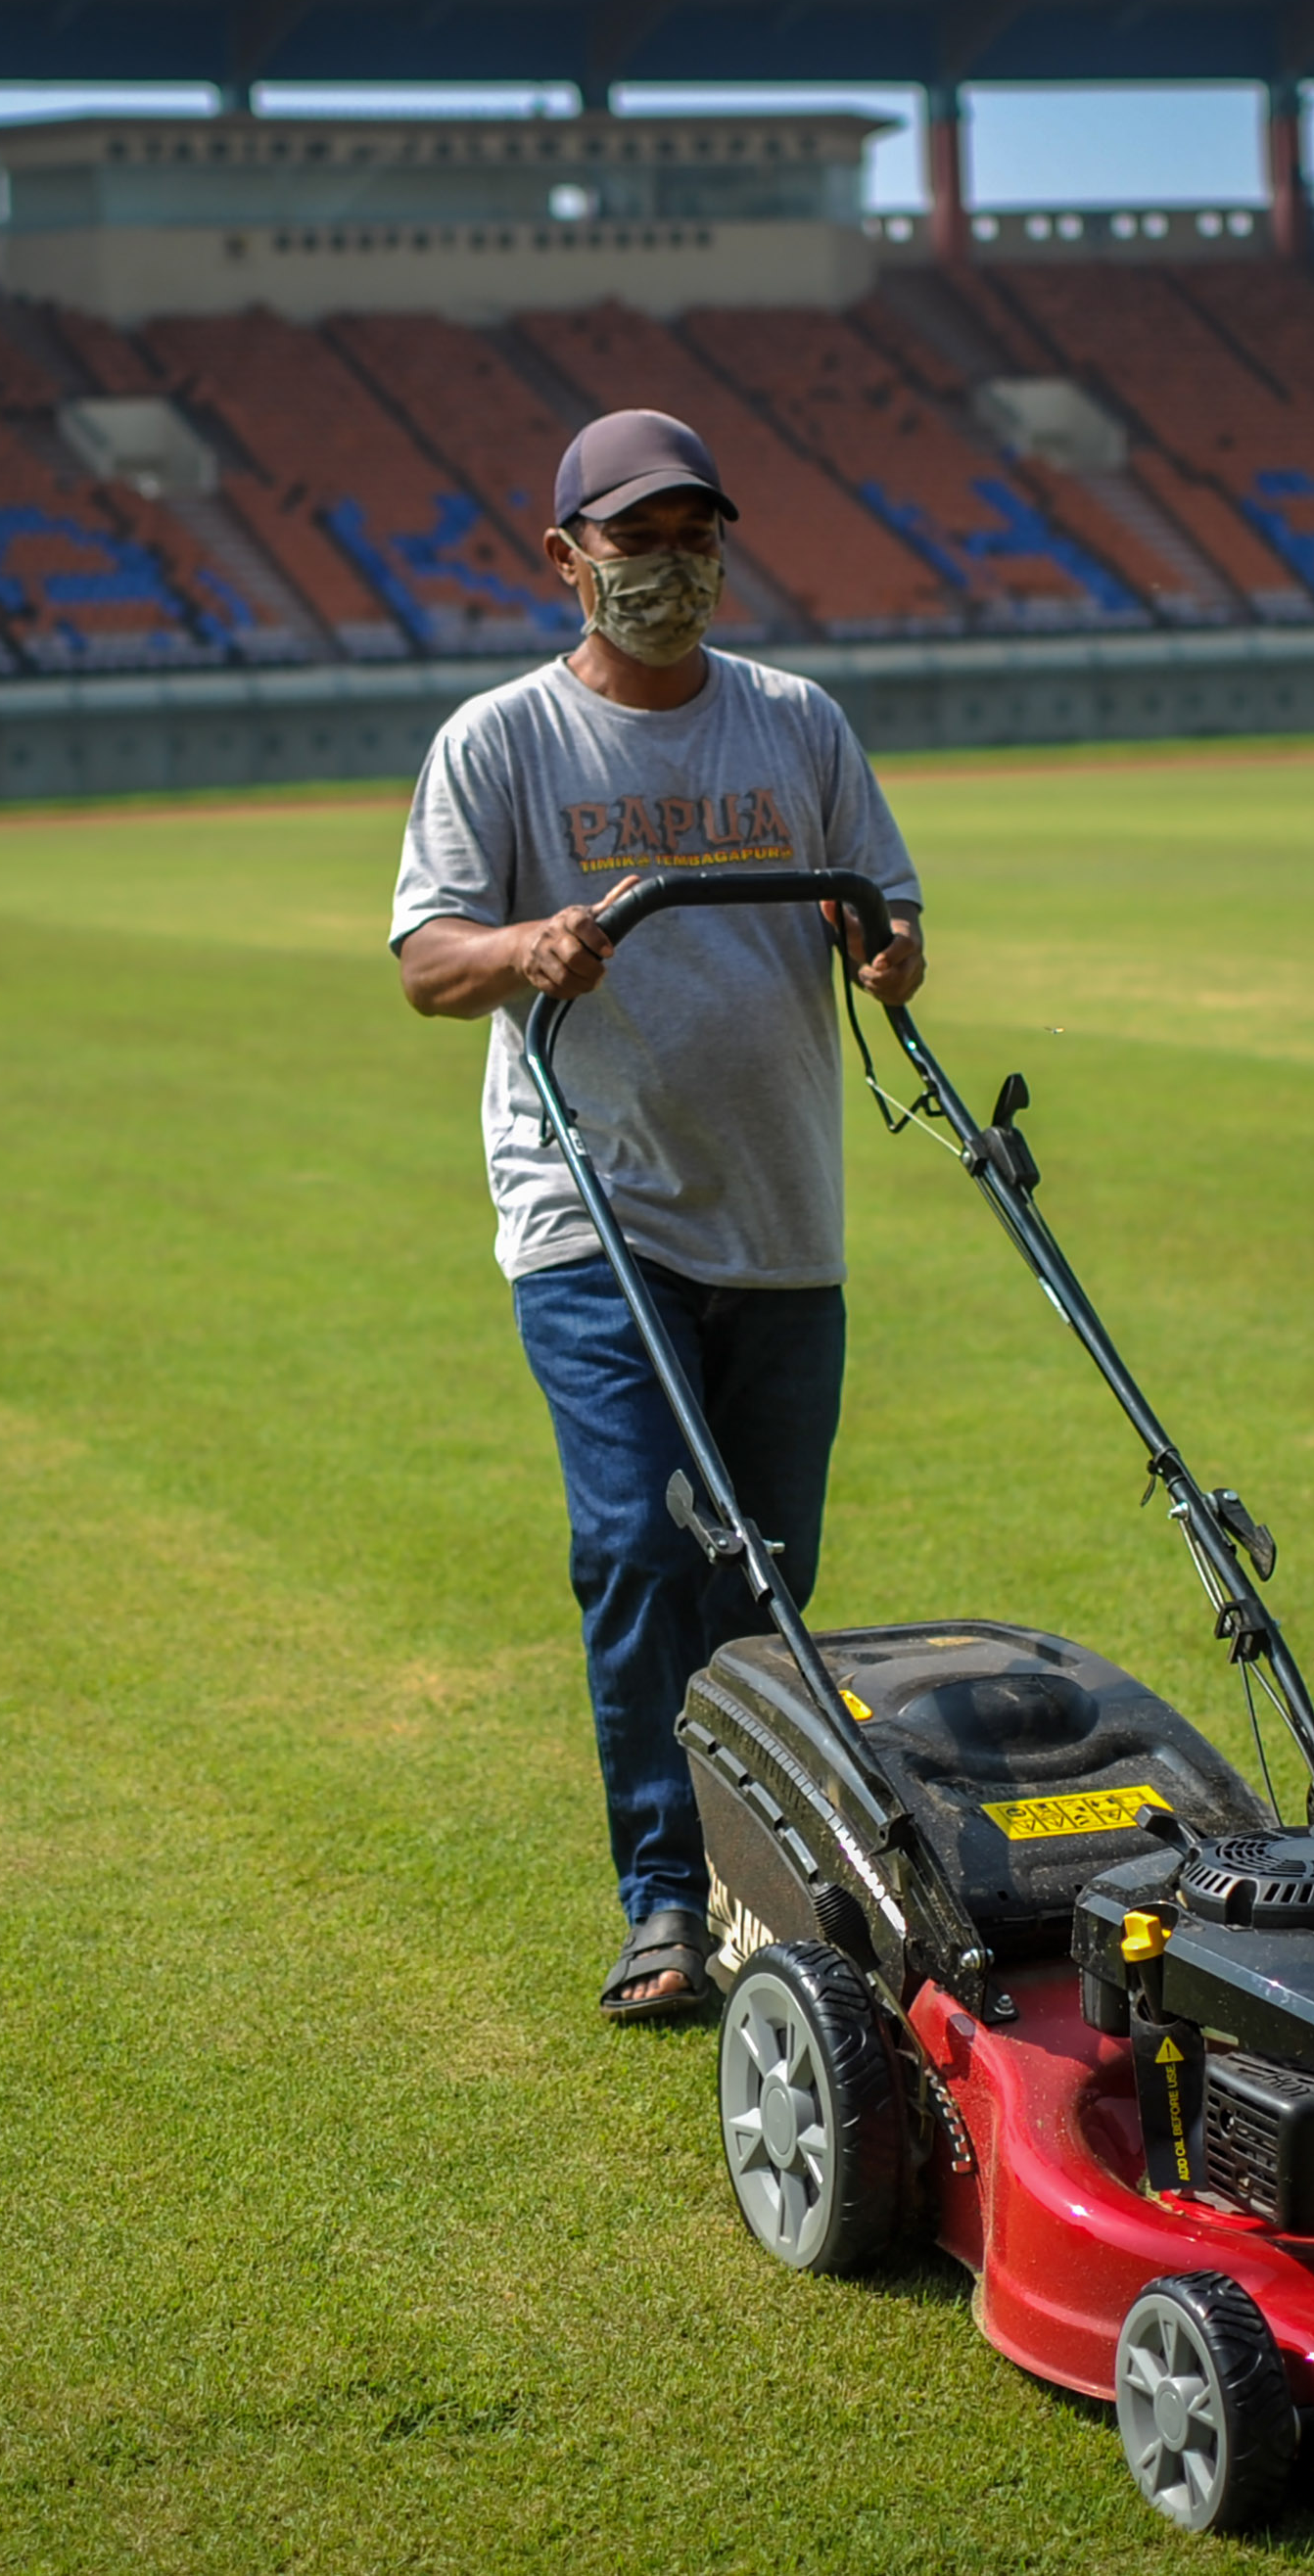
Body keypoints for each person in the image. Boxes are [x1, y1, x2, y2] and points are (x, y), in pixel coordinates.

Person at [389, 408, 924, 2023]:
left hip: (780, 1214)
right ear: (565, 558)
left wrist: (886, 953)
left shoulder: (799, 724)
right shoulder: (502, 743)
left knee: (768, 1572)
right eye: (637, 537)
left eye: (697, 532)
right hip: (589, 1206)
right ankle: (661, 1900)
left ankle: (762, 1868)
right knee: (633, 1545)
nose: (672, 564)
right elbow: (426, 960)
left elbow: (883, 919)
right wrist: (529, 946)